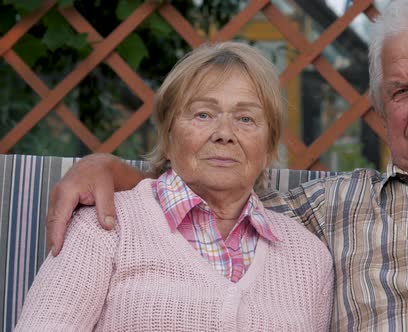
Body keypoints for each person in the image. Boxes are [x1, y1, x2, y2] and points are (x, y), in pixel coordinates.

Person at [44, 0, 408, 330]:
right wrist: (110, 169)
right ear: (379, 111)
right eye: (400, 91)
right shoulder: (334, 207)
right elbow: (211, 184)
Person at [16, 42, 334, 331]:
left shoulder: (308, 257)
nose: (224, 133)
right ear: (168, 138)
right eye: (203, 114)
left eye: (246, 119)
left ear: (268, 147)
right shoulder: (106, 224)